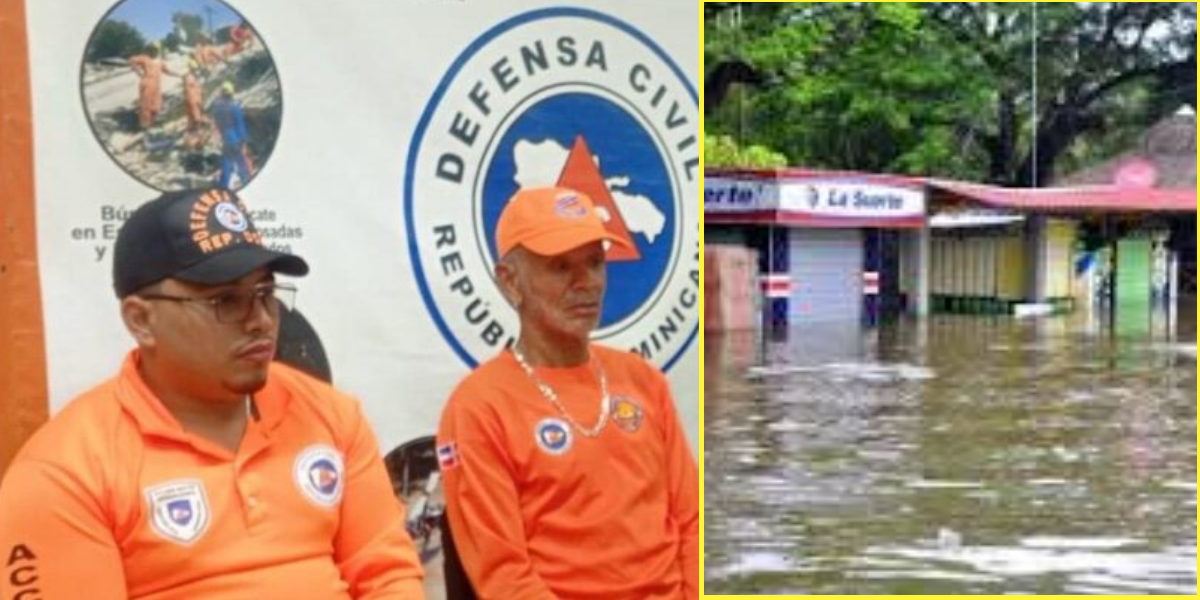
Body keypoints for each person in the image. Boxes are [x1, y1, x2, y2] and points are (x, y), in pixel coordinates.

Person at [0, 187, 425, 599]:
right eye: (226, 300)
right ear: (141, 320)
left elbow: (388, 576)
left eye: (265, 293)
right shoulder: (65, 471)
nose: (260, 319)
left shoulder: (331, 416)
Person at [436, 186, 699, 599]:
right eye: (561, 267)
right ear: (510, 282)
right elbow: (504, 577)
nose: (587, 283)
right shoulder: (478, 407)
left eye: (595, 263)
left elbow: (692, 521)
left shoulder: (644, 380)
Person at [210, 82, 253, 188]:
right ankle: (246, 180)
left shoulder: (216, 108)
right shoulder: (234, 108)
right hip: (235, 138)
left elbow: (217, 123)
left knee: (226, 161)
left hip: (225, 137)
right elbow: (240, 125)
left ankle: (223, 184)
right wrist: (244, 141)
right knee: (241, 161)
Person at [128, 42, 176, 130]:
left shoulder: (160, 61)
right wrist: (138, 71)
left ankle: (154, 122)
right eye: (152, 49)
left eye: (156, 49)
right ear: (149, 50)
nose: (154, 51)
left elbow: (167, 71)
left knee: (156, 104)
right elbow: (131, 60)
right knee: (146, 104)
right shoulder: (145, 58)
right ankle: (145, 125)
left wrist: (178, 75)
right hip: (146, 84)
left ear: (158, 50)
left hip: (156, 86)